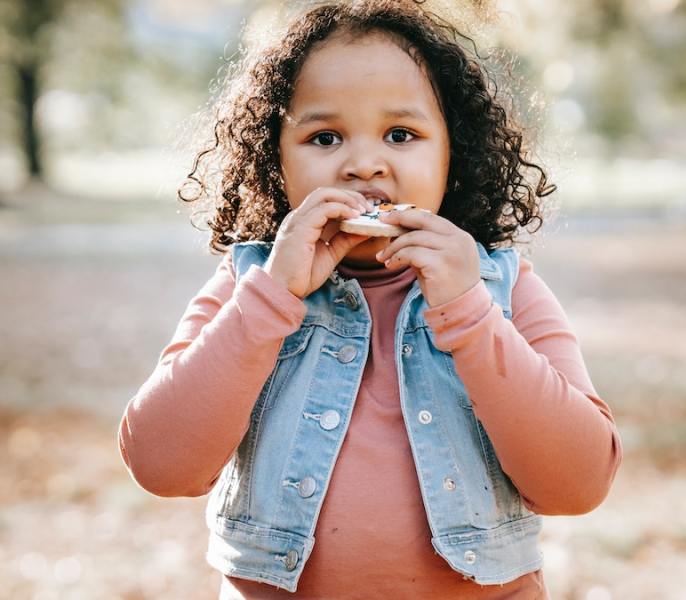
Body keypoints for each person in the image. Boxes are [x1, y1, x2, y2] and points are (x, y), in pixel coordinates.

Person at [117, 1, 622, 598]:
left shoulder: (502, 289)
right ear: (274, 161)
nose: (363, 165)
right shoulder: (249, 286)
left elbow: (579, 484)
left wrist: (468, 314)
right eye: (324, 137)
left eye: (400, 135)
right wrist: (270, 300)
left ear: (452, 153)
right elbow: (160, 465)